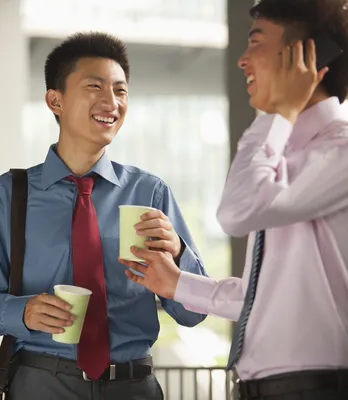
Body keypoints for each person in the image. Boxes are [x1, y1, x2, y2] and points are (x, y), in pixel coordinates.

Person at [0, 32, 208, 400]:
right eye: (95, 86)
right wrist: (23, 312)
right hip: (42, 383)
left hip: (132, 386)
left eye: (121, 91)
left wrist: (179, 253)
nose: (111, 102)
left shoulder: (149, 193)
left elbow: (193, 314)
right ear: (55, 100)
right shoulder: (11, 194)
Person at [119, 1, 348, 399]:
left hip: (317, 387)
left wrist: (278, 115)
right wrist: (177, 284)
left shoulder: (339, 151)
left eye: (256, 43)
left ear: (308, 58)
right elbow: (267, 297)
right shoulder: (282, 157)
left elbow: (237, 212)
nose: (243, 61)